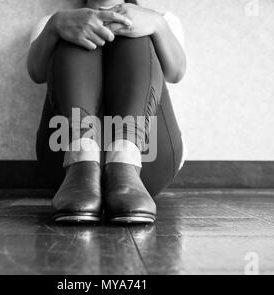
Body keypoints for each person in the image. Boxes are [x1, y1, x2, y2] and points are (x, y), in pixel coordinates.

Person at [27, 0, 187, 224]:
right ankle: (82, 155)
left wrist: (157, 24)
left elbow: (176, 73)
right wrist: (55, 25)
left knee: (134, 31)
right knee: (72, 28)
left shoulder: (161, 18)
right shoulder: (52, 21)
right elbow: (36, 73)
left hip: (147, 161)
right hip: (65, 166)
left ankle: (125, 157)